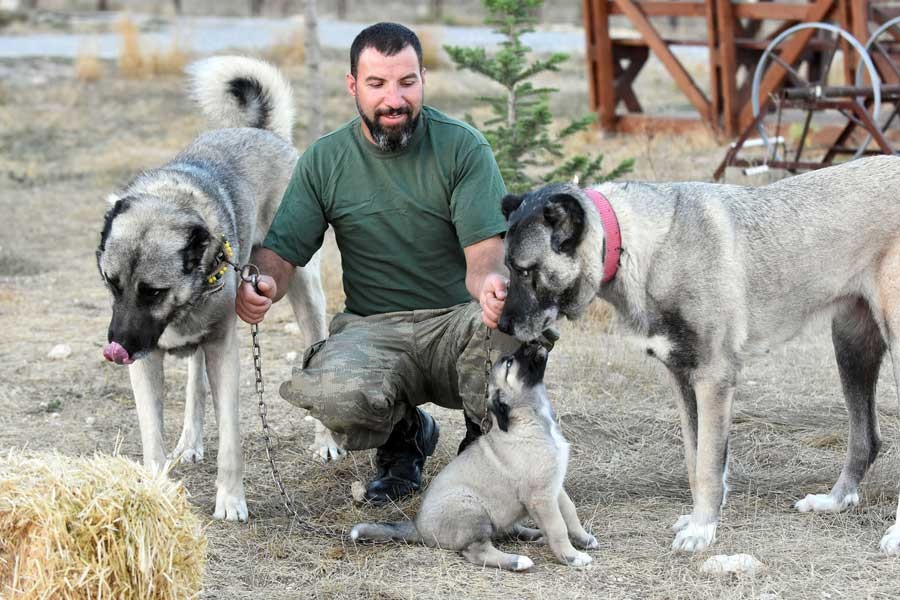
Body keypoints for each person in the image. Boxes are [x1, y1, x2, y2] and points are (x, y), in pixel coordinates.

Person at [235, 22, 521, 505]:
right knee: (330, 391)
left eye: (407, 82)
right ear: (353, 86)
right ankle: (403, 437)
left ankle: (484, 444)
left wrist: (493, 284)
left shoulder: (463, 147)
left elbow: (484, 255)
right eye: (377, 84)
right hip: (373, 328)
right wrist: (260, 282)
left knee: (515, 326)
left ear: (423, 79)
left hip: (455, 323)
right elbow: (282, 254)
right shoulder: (325, 160)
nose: (395, 100)